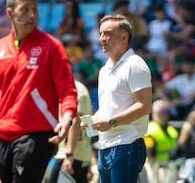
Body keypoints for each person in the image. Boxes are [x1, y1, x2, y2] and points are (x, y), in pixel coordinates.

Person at [0, 0, 78, 183]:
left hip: (38, 134)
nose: (32, 15)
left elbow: (67, 90)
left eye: (35, 10)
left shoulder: (52, 47)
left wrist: (67, 119)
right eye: (25, 9)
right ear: (10, 13)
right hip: (4, 134)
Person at [86, 14, 152, 183]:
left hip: (127, 143)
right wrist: (93, 119)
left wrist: (112, 122)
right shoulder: (104, 69)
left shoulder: (135, 65)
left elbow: (144, 106)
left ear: (124, 37)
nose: (102, 39)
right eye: (100, 33)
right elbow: (110, 107)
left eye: (107, 33)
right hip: (104, 146)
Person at [49, 80, 93, 183]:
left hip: (71, 156)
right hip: (79, 155)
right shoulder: (78, 87)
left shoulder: (74, 88)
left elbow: (76, 121)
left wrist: (69, 155)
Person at [144, 99, 178, 183]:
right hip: (156, 168)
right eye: (161, 112)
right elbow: (148, 153)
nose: (164, 115)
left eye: (166, 112)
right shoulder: (150, 130)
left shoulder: (171, 130)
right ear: (153, 113)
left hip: (170, 166)